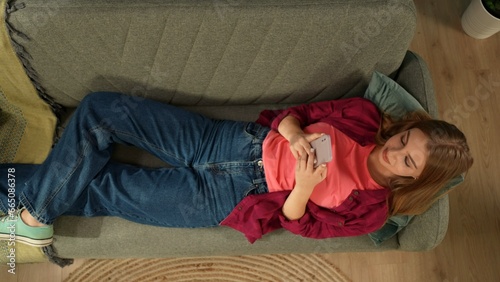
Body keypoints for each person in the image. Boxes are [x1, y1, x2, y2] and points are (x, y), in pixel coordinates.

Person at [0, 92, 473, 247]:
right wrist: (294, 135)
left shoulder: (371, 210)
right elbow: (294, 113)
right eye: (405, 138)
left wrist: (306, 185)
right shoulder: (365, 117)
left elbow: (296, 222)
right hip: (232, 140)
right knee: (103, 109)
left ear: (415, 179)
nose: (394, 149)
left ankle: (26, 215)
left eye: (407, 160)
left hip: (229, 198)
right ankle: (35, 220)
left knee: (100, 189)